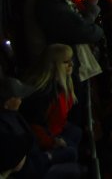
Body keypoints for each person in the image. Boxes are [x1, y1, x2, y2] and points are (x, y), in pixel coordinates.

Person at [21, 44, 83, 175]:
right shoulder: (43, 93)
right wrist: (52, 142)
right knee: (72, 152)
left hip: (54, 130)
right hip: (43, 138)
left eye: (71, 60)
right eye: (66, 62)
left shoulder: (63, 83)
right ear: (54, 65)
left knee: (77, 132)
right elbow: (34, 126)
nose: (71, 64)